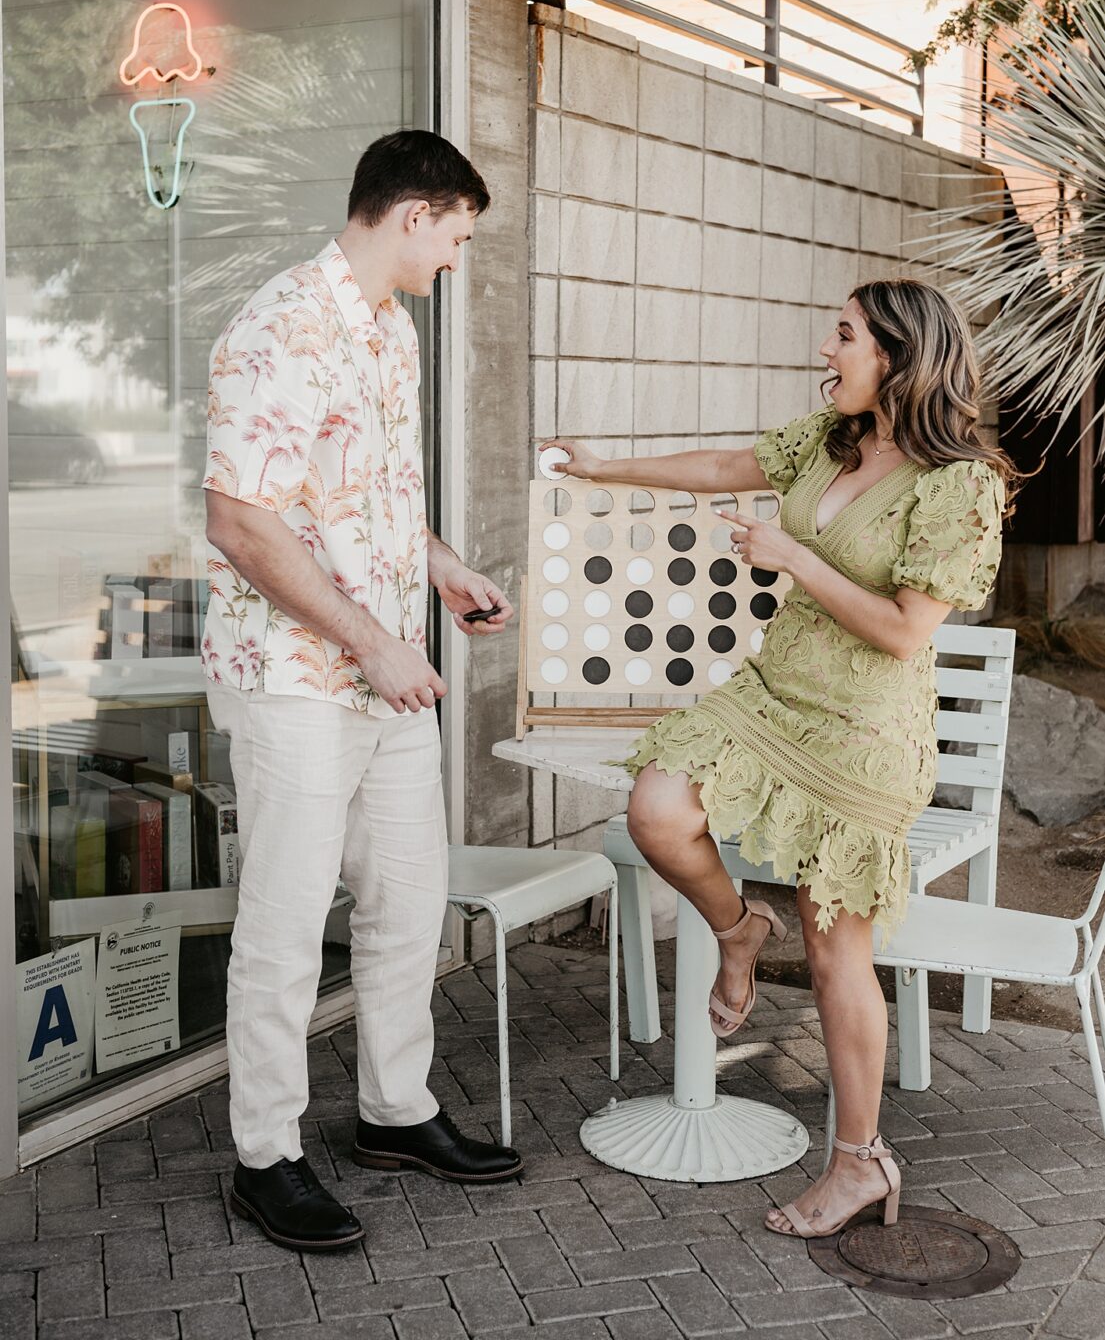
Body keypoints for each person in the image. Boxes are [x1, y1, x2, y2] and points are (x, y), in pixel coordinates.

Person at [544, 279, 1016, 1240]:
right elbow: (726, 461)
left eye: (841, 335)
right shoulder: (829, 440)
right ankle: (734, 929)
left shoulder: (959, 485)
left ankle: (858, 1161)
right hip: (771, 699)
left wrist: (794, 559)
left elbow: (901, 632)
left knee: (837, 941)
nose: (823, 350)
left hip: (865, 732)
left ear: (895, 352)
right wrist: (604, 467)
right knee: (658, 807)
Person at [202, 130, 521, 1254]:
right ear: (413, 214)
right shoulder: (280, 324)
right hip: (298, 675)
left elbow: (372, 496)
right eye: (457, 237)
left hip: (386, 671)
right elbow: (241, 520)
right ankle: (265, 1157)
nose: (456, 260)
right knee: (286, 923)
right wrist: (375, 643)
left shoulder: (393, 333)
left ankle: (394, 1111)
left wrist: (441, 567)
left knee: (405, 901)